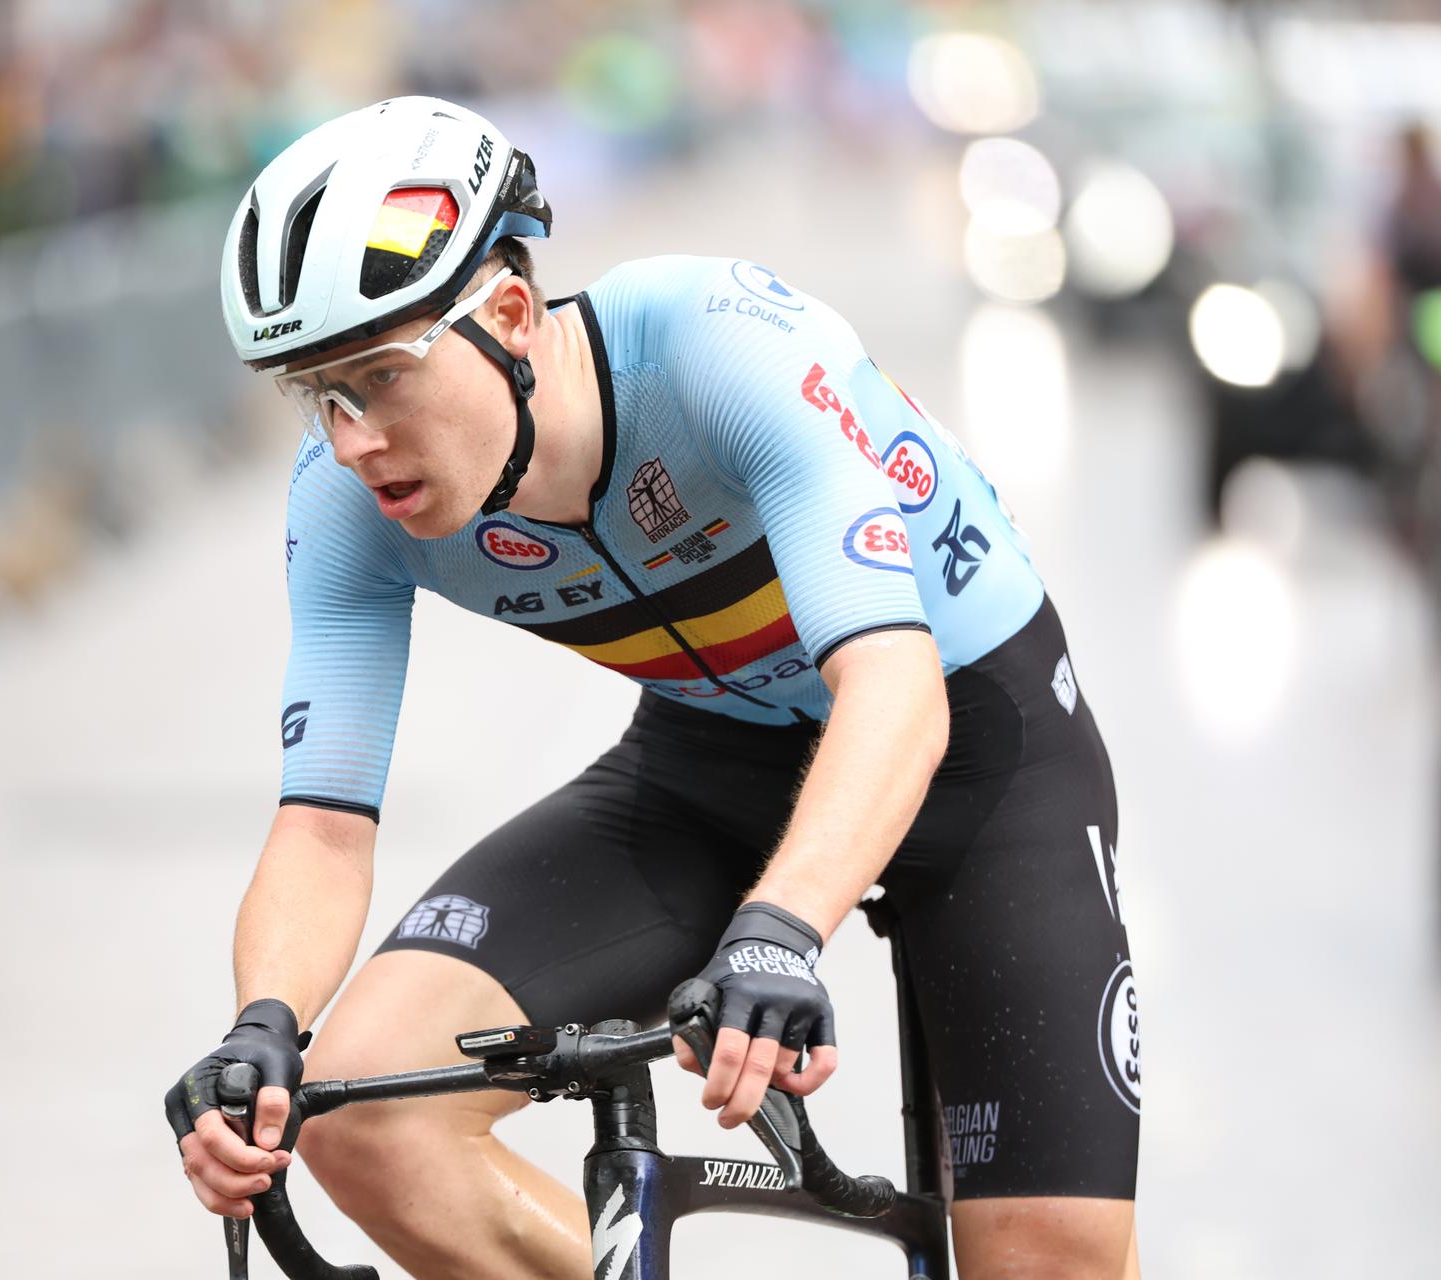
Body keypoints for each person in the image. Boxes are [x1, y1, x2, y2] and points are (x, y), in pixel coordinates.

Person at [165, 96, 1142, 1278]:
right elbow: (320, 824)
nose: (356, 435)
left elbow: (897, 686)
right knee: (362, 1106)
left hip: (976, 742)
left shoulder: (716, 346)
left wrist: (780, 930)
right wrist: (262, 1025)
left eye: (380, 374)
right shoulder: (344, 504)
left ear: (511, 313)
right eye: (317, 391)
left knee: (1049, 1254)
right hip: (711, 759)